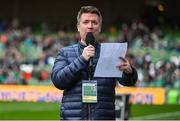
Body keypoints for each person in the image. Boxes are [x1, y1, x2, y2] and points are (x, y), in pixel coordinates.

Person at [51, 6, 138, 120]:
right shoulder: (65, 53)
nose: (90, 26)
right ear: (78, 26)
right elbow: (58, 81)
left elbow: (127, 82)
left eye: (94, 22)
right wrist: (82, 59)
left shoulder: (110, 52)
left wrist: (129, 71)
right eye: (86, 22)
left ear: (100, 27)